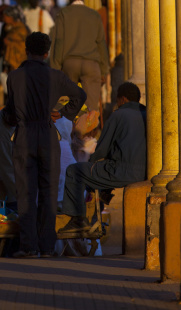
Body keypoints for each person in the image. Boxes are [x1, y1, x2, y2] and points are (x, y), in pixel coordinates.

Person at [4, 32, 86, 258]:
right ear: (47, 53)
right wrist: (63, 113)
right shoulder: (56, 76)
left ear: (26, 51)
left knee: (26, 193)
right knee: (49, 192)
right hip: (48, 135)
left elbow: (10, 112)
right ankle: (47, 247)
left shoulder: (14, 77)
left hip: (23, 136)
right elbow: (80, 94)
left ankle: (28, 246)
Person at [58, 82, 147, 234]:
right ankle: (95, 214)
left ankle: (78, 219)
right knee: (96, 175)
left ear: (123, 99)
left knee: (74, 171)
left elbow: (102, 150)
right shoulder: (147, 114)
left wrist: (91, 163)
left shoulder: (118, 115)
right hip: (145, 172)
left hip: (122, 171)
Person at [50, 0, 110, 112]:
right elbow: (101, 43)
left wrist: (56, 67)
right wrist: (103, 69)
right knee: (91, 107)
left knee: (68, 104)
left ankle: (71, 130)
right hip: (91, 64)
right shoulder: (95, 15)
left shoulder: (63, 14)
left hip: (69, 63)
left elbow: (58, 41)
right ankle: (87, 131)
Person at [1, 5, 29, 75]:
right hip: (12, 60)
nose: (4, 19)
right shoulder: (8, 27)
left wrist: (9, 40)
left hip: (19, 58)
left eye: (5, 17)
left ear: (11, 17)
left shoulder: (21, 28)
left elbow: (20, 39)